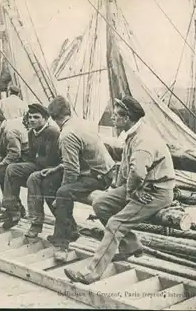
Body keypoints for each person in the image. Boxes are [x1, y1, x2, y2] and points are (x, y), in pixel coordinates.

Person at [63, 96, 176, 284]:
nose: (112, 118)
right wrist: (118, 189)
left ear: (127, 118)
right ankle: (131, 246)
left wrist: (131, 191)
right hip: (139, 186)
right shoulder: (133, 133)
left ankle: (91, 273)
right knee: (100, 204)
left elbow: (138, 172)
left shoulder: (143, 141)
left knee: (115, 224)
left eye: (116, 115)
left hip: (155, 192)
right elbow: (127, 168)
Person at [47, 96, 116, 261]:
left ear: (54, 118)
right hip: (99, 169)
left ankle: (62, 243)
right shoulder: (80, 122)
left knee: (63, 192)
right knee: (47, 182)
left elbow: (71, 171)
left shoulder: (67, 135)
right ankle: (70, 229)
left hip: (99, 176)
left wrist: (58, 196)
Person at [0, 103, 61, 230]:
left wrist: (34, 160)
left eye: (36, 117)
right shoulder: (31, 133)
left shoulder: (51, 132)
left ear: (45, 119)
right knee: (11, 168)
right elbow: (32, 156)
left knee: (33, 180)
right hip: (38, 165)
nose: (32, 120)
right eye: (30, 117)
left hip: (53, 169)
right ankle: (13, 209)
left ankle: (36, 221)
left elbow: (50, 159)